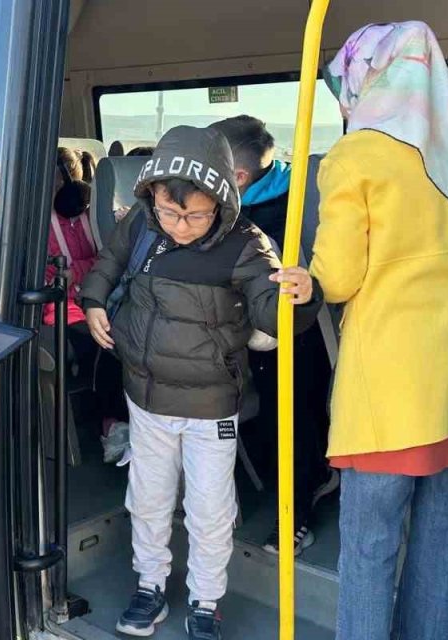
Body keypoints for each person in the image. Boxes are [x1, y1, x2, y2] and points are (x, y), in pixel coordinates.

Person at [312, 23, 448, 640]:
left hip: (396, 388)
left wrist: (304, 278)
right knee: (447, 541)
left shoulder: (358, 154)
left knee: (370, 550)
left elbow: (337, 276)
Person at [80, 125, 322, 639]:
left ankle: (206, 600)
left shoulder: (248, 245)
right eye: (170, 211)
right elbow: (108, 265)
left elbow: (271, 314)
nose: (181, 225)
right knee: (147, 498)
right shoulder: (143, 225)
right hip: (144, 396)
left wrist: (300, 297)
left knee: (210, 509)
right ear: (152, 197)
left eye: (195, 214)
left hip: (213, 405)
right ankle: (149, 586)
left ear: (223, 201)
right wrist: (94, 301)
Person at [208, 114, 337, 556]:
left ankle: (298, 506)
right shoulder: (307, 190)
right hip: (315, 337)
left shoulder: (258, 221)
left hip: (281, 338)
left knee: (285, 420)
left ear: (238, 177)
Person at [46, 146, 128, 462]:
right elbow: (44, 274)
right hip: (59, 308)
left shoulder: (98, 215)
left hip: (102, 298)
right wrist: (75, 272)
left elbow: (112, 258)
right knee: (103, 342)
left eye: (60, 186)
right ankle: (113, 426)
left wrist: (76, 270)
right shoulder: (35, 223)